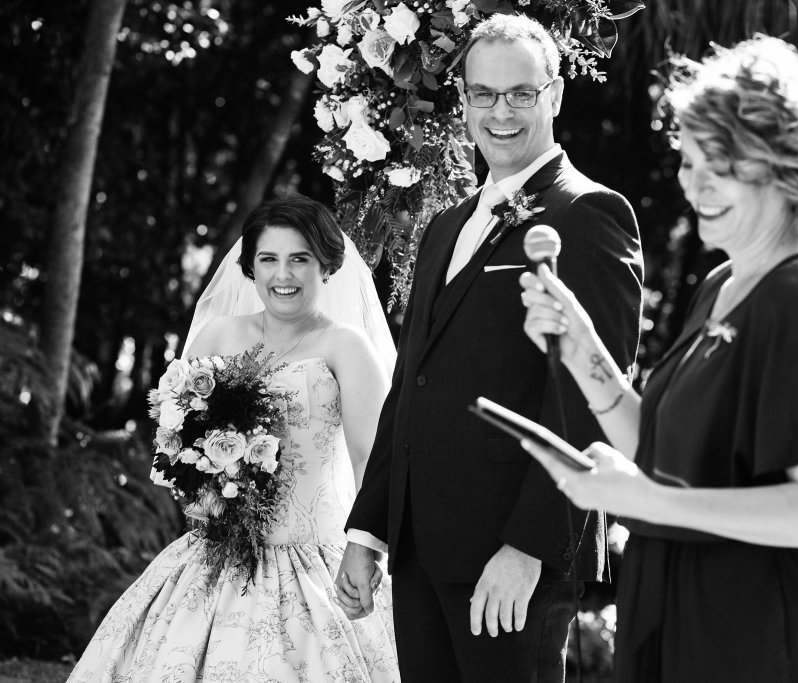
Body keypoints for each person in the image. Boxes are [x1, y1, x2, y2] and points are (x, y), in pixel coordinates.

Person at [519, 36, 798, 682]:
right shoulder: (722, 283)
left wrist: (644, 499)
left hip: (766, 640)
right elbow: (661, 442)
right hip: (687, 626)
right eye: (689, 161)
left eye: (722, 166)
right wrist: (580, 345)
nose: (695, 184)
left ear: (786, 164)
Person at [337, 13, 644, 682]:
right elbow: (412, 384)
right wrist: (369, 530)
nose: (500, 112)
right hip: (421, 550)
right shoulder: (446, 227)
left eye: (520, 94)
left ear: (555, 96)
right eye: (483, 94)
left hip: (512, 559)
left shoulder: (588, 214)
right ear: (465, 100)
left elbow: (591, 395)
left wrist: (529, 546)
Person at [69, 195, 401, 682]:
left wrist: (367, 551)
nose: (282, 275)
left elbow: (371, 459)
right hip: (216, 553)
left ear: (326, 265)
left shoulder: (346, 347)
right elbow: (176, 445)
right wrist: (211, 482)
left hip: (313, 561)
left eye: (299, 259)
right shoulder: (216, 338)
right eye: (268, 259)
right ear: (249, 268)